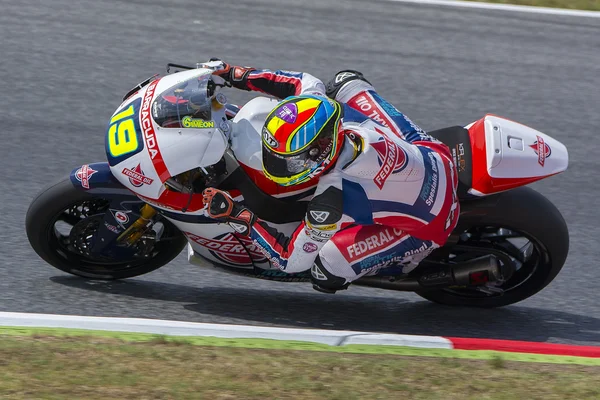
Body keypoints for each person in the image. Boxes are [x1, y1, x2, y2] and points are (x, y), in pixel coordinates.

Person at [200, 60, 460, 293]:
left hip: (433, 220)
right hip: (433, 154)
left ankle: (408, 260)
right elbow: (303, 82)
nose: (284, 166)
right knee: (344, 81)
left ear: (320, 152)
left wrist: (238, 216)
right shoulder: (328, 112)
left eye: (292, 161)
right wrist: (236, 74)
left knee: (325, 270)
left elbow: (290, 260)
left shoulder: (331, 200)